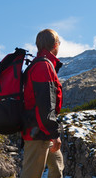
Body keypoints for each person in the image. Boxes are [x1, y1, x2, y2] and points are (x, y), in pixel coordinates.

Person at [21, 29, 64, 178]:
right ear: (55, 45)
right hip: (37, 132)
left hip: (42, 130)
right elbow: (45, 103)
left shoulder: (43, 64)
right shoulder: (43, 66)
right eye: (59, 43)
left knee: (57, 167)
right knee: (31, 174)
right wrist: (54, 133)